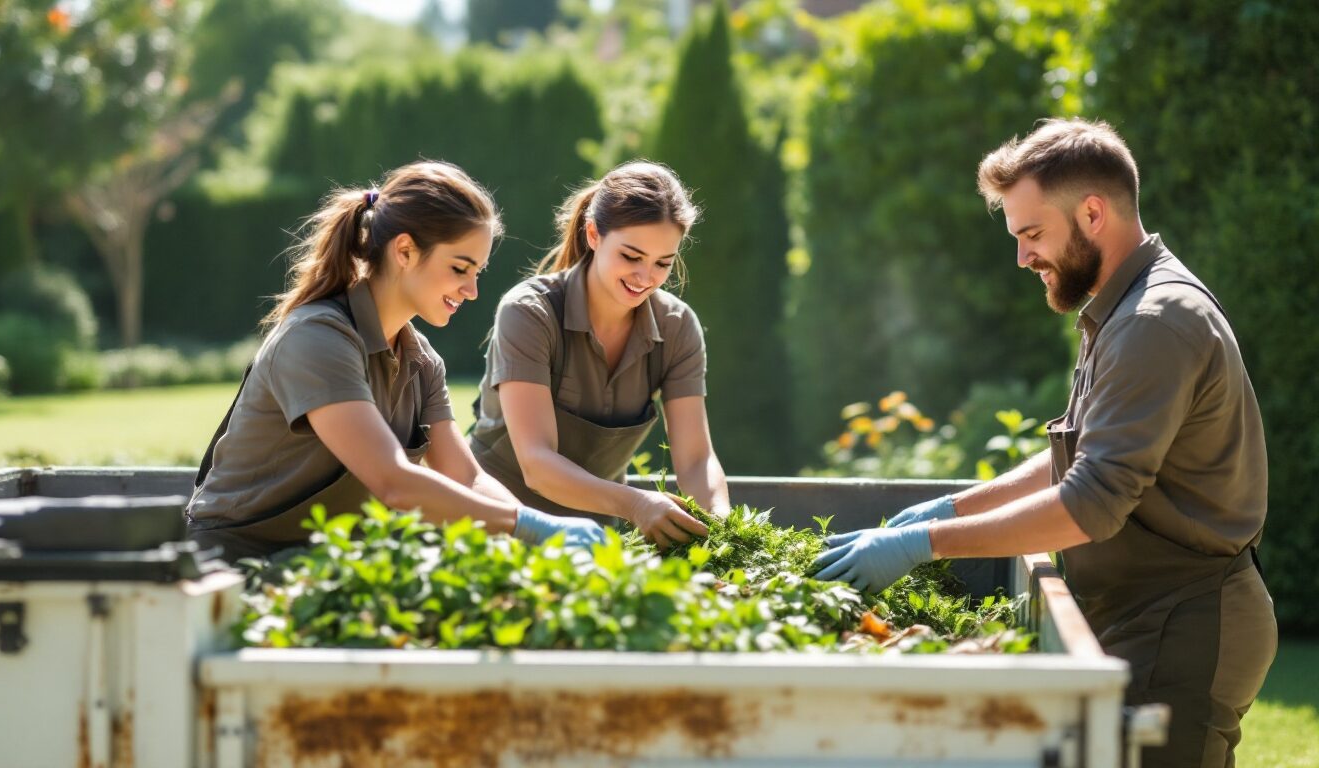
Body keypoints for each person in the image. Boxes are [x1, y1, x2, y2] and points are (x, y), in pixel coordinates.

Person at [813, 119, 1275, 767]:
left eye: (1032, 234)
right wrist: (951, 507)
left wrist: (924, 543)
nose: (1023, 258)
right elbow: (1077, 456)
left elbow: (1091, 503)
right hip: (1146, 616)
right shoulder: (1122, 309)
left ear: (1093, 214)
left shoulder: (1154, 322)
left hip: (1182, 629)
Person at [186, 161, 605, 561]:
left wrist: (540, 541)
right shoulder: (316, 338)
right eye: (460, 268)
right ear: (404, 251)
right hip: (232, 567)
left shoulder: (422, 363)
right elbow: (393, 480)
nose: (472, 290)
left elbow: (468, 477)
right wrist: (528, 526)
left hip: (328, 567)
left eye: (477, 271)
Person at [469, 161, 730, 548]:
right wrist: (637, 504)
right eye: (631, 256)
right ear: (593, 234)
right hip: (494, 528)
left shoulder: (677, 326)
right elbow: (537, 463)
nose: (646, 277)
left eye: (663, 263)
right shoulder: (529, 312)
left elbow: (695, 461)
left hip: (595, 543)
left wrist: (722, 532)